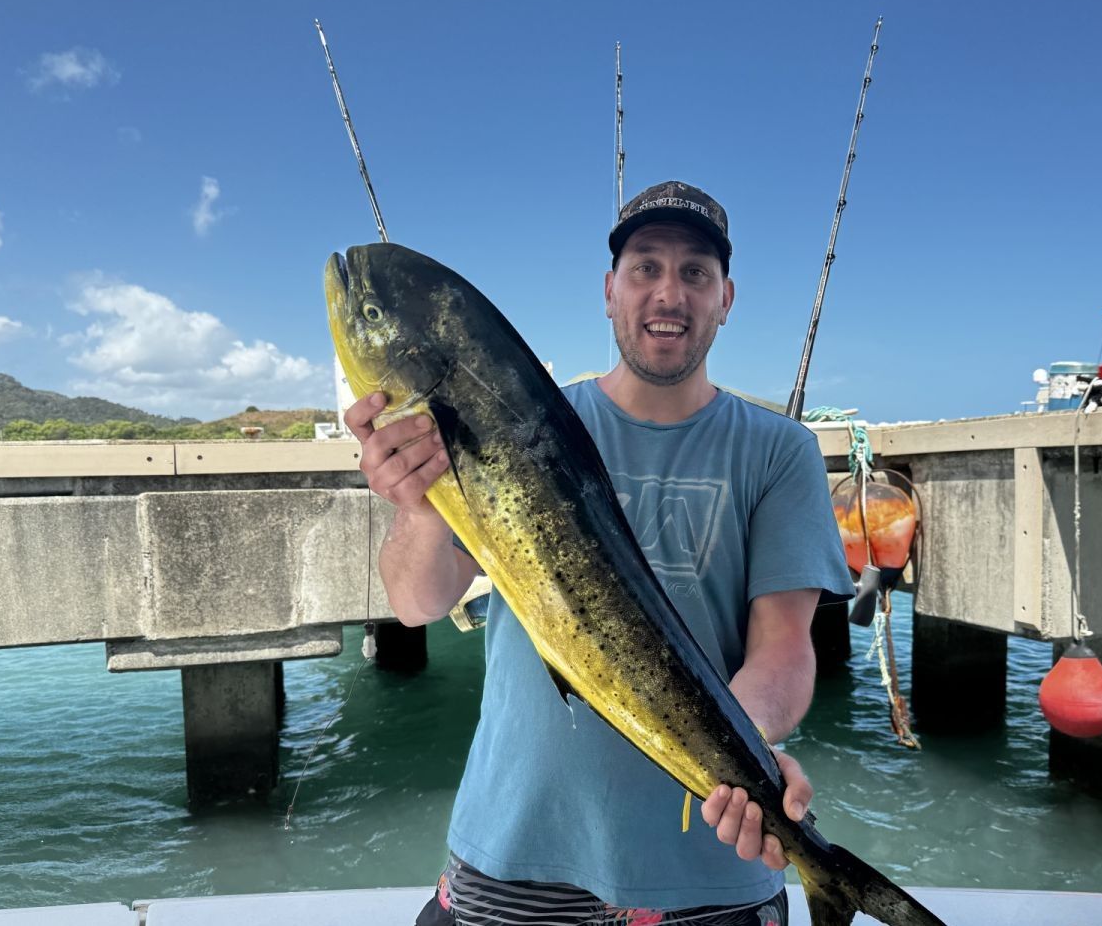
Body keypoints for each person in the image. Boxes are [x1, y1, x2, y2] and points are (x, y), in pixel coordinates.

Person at [343, 180, 852, 926]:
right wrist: (415, 504)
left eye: (695, 273)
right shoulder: (517, 418)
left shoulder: (779, 452)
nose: (668, 294)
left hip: (711, 876)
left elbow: (783, 651)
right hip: (512, 851)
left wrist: (745, 752)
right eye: (645, 268)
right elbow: (419, 602)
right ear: (610, 290)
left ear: (726, 297)